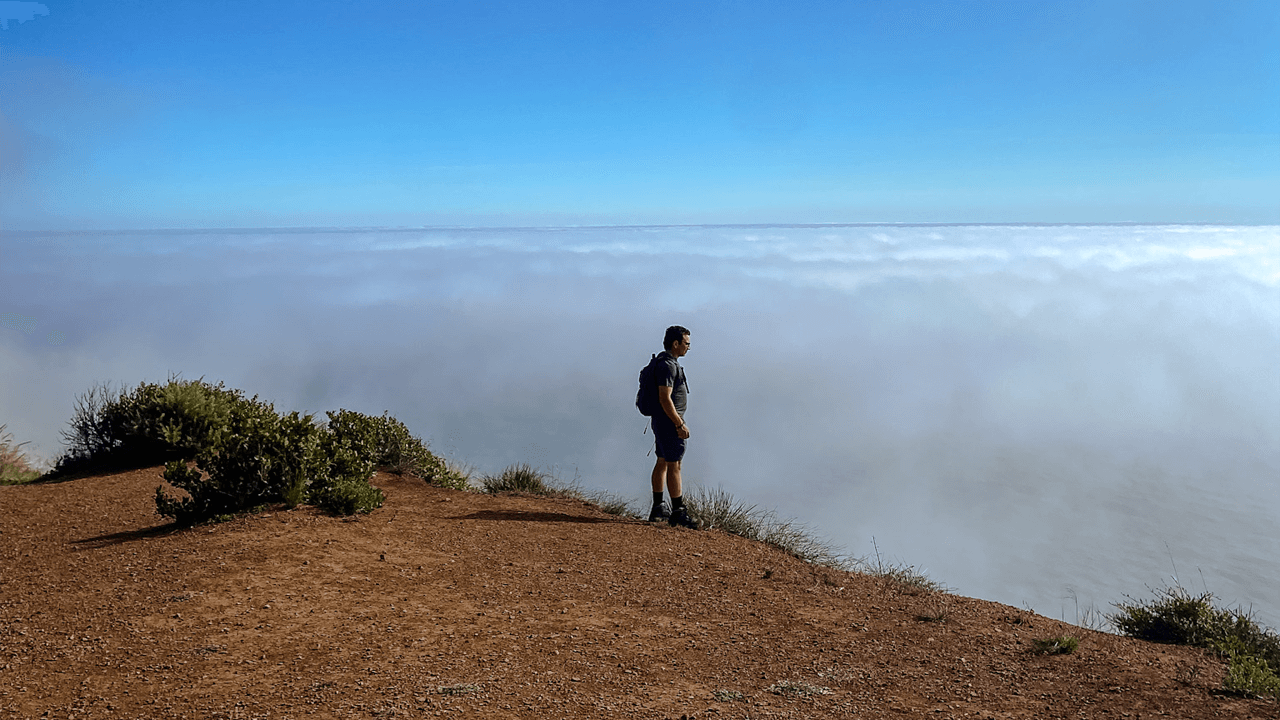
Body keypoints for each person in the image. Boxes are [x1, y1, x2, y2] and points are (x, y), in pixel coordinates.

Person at [648, 325, 699, 529]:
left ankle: (658, 507)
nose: (688, 347)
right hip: (669, 422)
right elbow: (665, 398)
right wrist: (679, 423)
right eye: (686, 343)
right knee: (674, 464)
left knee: (662, 460)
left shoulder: (661, 361)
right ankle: (677, 511)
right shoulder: (669, 366)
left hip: (660, 421)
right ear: (675, 343)